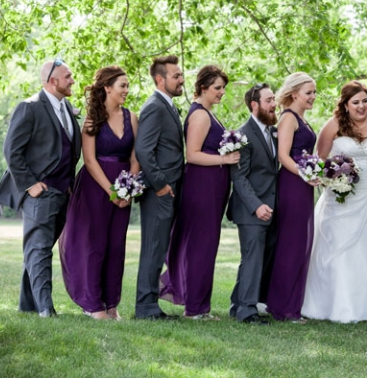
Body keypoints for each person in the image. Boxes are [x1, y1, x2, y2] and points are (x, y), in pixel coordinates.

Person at [301, 81, 367, 323]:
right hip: (340, 199)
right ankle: (339, 303)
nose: (362, 106)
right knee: (339, 248)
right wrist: (334, 178)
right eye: (356, 102)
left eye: (365, 100)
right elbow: (319, 161)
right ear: (345, 105)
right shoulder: (332, 126)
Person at [0, 59, 82, 317]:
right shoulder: (29, 107)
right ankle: (45, 309)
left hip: (63, 192)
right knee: (40, 249)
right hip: (39, 193)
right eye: (68, 76)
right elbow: (12, 151)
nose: (72, 80)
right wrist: (30, 185)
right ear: (52, 81)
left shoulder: (67, 108)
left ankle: (27, 305)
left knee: (38, 248)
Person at [59, 66, 139, 320]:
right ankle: (93, 306)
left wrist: (127, 189)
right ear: (107, 88)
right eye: (122, 86)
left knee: (116, 246)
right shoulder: (92, 118)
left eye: (127, 86)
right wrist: (112, 191)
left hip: (124, 187)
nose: (127, 90)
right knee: (94, 246)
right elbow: (90, 160)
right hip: (95, 189)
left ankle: (111, 304)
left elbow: (136, 157)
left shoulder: (132, 117)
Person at [159, 66, 238, 320]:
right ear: (203, 87)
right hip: (201, 187)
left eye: (223, 88)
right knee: (200, 247)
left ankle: (200, 306)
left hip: (213, 187)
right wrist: (225, 160)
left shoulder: (209, 114)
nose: (222, 92)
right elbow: (192, 155)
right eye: (217, 88)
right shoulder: (200, 115)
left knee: (207, 246)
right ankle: (194, 308)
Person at [134, 55, 185, 320]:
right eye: (176, 76)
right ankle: (145, 307)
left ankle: (149, 304)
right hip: (159, 191)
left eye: (181, 75)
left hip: (169, 188)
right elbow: (144, 149)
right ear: (160, 79)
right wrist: (161, 185)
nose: (181, 80)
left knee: (158, 246)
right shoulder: (154, 106)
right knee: (153, 247)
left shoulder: (168, 106)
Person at [266, 72, 319, 322]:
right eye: (308, 92)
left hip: (303, 184)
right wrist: (304, 174)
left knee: (300, 244)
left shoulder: (302, 119)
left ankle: (292, 306)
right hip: (292, 184)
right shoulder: (288, 118)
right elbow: (283, 156)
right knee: (291, 245)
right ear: (294, 93)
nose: (313, 97)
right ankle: (282, 307)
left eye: (314, 92)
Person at [228, 83, 279, 325]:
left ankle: (238, 303)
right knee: (252, 258)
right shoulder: (243, 134)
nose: (274, 104)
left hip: (268, 206)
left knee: (254, 257)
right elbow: (238, 177)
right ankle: (247, 311)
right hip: (251, 209)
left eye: (274, 99)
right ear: (254, 105)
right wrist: (257, 206)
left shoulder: (272, 131)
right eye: (269, 100)